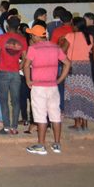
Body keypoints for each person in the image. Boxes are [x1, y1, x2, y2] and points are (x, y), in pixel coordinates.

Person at [23, 22, 70, 155]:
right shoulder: (55, 47)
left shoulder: (33, 48)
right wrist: (59, 79)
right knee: (55, 115)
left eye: (32, 35)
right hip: (53, 87)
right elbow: (67, 63)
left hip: (39, 87)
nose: (31, 37)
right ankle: (57, 144)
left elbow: (26, 65)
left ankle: (41, 145)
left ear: (36, 36)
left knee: (41, 116)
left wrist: (28, 80)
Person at [59, 17, 94, 131]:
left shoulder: (70, 36)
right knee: (84, 93)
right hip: (86, 67)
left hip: (73, 67)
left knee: (74, 93)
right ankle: (85, 124)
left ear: (76, 26)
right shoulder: (90, 37)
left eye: (72, 25)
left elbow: (62, 51)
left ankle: (77, 123)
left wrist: (61, 42)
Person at [0, 16, 28, 135]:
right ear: (18, 27)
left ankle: (6, 127)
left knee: (3, 100)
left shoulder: (1, 37)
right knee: (15, 100)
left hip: (3, 71)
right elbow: (25, 57)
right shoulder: (22, 39)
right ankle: (14, 127)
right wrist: (19, 67)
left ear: (7, 26)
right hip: (15, 73)